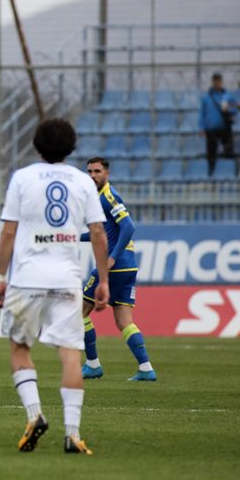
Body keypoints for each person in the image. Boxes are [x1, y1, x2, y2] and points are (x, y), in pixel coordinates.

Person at [0, 118, 110, 455]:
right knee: (70, 354)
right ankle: (72, 434)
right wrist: (102, 280)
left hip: (27, 278)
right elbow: (99, 234)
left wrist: (1, 278)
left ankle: (35, 414)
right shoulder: (83, 182)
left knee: (19, 347)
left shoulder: (22, 178)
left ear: (36, 144)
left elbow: (9, 232)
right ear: (71, 146)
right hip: (67, 279)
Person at [79, 157, 156, 381]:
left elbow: (128, 227)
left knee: (79, 313)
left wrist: (111, 258)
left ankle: (92, 365)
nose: (93, 176)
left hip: (115, 266)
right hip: (128, 267)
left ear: (107, 173)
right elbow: (102, 233)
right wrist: (74, 237)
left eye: (97, 171)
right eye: (90, 172)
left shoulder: (108, 197)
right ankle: (146, 368)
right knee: (124, 321)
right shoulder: (99, 198)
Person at [199, 72, 237, 175]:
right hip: (210, 129)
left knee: (228, 150)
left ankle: (228, 171)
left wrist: (228, 109)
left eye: (218, 81)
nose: (217, 83)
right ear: (212, 82)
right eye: (215, 81)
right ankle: (211, 171)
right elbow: (202, 113)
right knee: (211, 152)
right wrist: (201, 127)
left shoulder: (227, 96)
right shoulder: (206, 97)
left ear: (221, 82)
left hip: (224, 128)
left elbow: (235, 110)